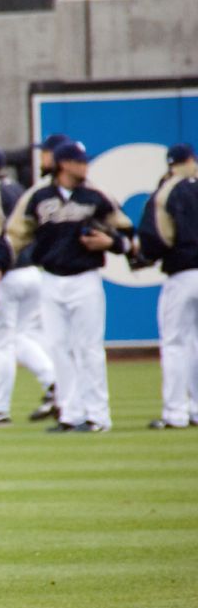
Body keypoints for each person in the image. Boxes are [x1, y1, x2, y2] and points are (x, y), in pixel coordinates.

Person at [0, 140, 134, 433]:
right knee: (59, 347)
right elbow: (14, 235)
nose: (84, 166)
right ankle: (70, 414)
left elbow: (129, 234)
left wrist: (113, 243)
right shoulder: (39, 196)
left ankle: (98, 416)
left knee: (89, 348)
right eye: (79, 162)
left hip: (85, 278)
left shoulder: (95, 196)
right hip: (50, 280)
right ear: (64, 164)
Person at [0, 144, 56, 427]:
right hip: (31, 273)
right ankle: (55, 384)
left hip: (4, 274)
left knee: (0, 343)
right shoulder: (18, 189)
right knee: (22, 335)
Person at [133, 143, 198, 429]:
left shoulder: (168, 189)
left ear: (171, 164)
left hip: (182, 274)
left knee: (175, 344)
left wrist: (145, 257)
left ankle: (175, 413)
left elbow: (155, 235)